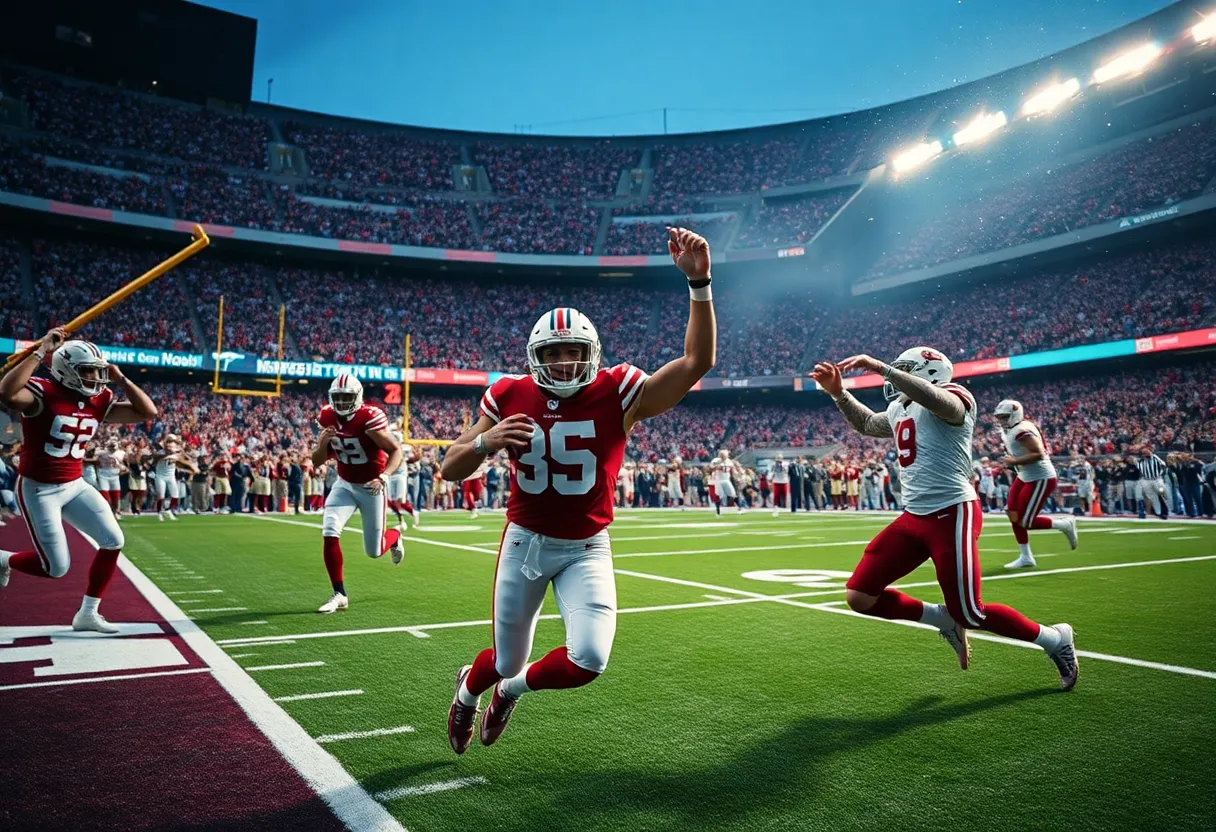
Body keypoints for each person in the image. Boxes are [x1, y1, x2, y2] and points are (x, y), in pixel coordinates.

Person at [444, 227, 716, 754]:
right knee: (504, 657)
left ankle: (508, 694)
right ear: (534, 357)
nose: (566, 364)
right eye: (555, 353)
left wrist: (699, 282)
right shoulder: (508, 393)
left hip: (588, 546)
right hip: (526, 543)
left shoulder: (619, 389)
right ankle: (468, 689)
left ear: (590, 352)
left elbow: (695, 364)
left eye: (574, 352)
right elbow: (450, 467)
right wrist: (487, 442)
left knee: (588, 658)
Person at [809, 347, 1077, 690]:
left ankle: (1055, 639)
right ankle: (941, 619)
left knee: (972, 613)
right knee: (860, 596)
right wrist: (839, 393)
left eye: (905, 370)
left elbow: (940, 403)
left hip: (953, 512)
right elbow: (865, 423)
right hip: (914, 515)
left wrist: (881, 368)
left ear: (929, 372)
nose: (895, 376)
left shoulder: (956, 395)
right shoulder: (899, 407)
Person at [0, 329, 159, 633]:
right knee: (55, 568)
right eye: (88, 371)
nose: (96, 378)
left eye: (98, 371)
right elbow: (7, 393)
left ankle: (88, 613)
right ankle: (4, 560)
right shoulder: (43, 392)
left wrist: (121, 378)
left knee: (114, 541)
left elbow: (147, 411)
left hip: (75, 484)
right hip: (39, 488)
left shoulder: (100, 399)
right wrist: (40, 350)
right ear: (64, 369)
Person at [312, 374, 405, 614]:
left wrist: (384, 477)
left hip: (370, 487)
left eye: (347, 397)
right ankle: (339, 593)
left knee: (373, 552)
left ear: (357, 397)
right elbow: (317, 461)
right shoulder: (327, 416)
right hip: (344, 484)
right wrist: (323, 443)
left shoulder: (368, 418)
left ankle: (393, 537)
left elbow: (396, 451)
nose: (342, 403)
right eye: (338, 398)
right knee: (330, 530)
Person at [994, 400, 1077, 569]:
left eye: (1005, 417)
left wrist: (1014, 461)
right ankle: (1026, 557)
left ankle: (1064, 524)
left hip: (1040, 477)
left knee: (1026, 521)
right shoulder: (1010, 430)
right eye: (1000, 417)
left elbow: (1038, 453)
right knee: (1012, 513)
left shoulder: (1021, 430)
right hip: (1025, 475)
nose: (1002, 420)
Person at [1135, 445, 1169, 520]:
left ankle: (1164, 513)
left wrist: (1162, 474)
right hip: (1146, 480)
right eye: (1143, 452)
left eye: (1146, 451)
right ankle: (1155, 512)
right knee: (1150, 497)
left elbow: (1164, 465)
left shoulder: (1155, 457)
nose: (1145, 453)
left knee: (1161, 495)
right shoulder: (1140, 460)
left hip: (1157, 479)